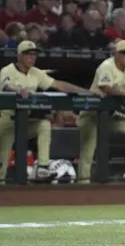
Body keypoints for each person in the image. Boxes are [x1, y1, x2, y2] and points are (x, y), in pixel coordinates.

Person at [0, 40, 94, 183]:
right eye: (28, 54)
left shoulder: (36, 73)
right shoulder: (7, 70)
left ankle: (42, 168)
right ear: (19, 56)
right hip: (5, 122)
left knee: (44, 125)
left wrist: (86, 92)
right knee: (2, 167)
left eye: (34, 55)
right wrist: (18, 90)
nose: (32, 58)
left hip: (23, 123)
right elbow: (6, 86)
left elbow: (59, 85)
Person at [76, 40, 125, 183]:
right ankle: (83, 181)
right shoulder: (106, 66)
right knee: (88, 148)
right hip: (92, 114)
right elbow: (106, 88)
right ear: (117, 54)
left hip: (110, 115)